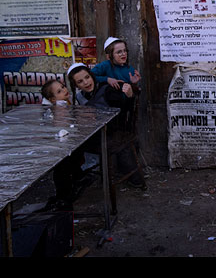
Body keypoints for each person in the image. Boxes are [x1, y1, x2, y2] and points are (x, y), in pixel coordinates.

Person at [67, 63, 145, 189]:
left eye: (87, 77)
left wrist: (130, 96)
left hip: (112, 132)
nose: (86, 83)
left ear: (92, 76)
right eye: (80, 81)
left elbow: (125, 108)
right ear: (76, 85)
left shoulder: (107, 90)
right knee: (69, 144)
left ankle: (79, 178)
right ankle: (78, 178)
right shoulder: (81, 97)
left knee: (76, 144)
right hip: (96, 132)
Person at [40, 78, 88, 210]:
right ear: (53, 99)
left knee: (70, 164)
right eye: (59, 91)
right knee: (62, 170)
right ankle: (63, 197)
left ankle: (76, 180)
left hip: (71, 144)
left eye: (63, 87)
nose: (64, 90)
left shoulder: (66, 102)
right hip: (61, 148)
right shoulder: (58, 108)